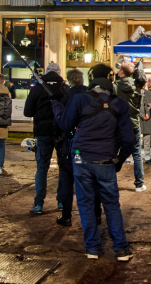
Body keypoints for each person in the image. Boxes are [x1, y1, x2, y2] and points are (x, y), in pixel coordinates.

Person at [51, 65, 136, 262]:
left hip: (81, 157)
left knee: (86, 203)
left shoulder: (80, 99)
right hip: (106, 159)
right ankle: (121, 248)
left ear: (91, 80)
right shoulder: (120, 104)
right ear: (110, 80)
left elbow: (65, 124)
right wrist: (119, 160)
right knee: (111, 204)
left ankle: (93, 248)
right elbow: (129, 139)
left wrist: (56, 107)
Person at [23, 62, 68, 213]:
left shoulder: (38, 88)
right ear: (59, 72)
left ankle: (39, 203)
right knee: (63, 167)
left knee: (42, 168)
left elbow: (27, 112)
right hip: (61, 132)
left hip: (42, 131)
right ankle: (62, 201)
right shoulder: (65, 88)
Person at [54, 68, 88, 227]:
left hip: (70, 144)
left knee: (67, 180)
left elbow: (63, 124)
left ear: (69, 80)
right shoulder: (90, 96)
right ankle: (94, 215)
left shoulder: (66, 99)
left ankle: (66, 215)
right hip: (88, 144)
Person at [114, 62, 146, 192]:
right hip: (134, 124)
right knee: (137, 153)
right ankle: (139, 183)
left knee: (113, 150)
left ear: (121, 72)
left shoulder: (115, 87)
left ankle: (111, 178)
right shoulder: (137, 87)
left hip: (119, 124)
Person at [140, 82, 151, 161]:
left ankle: (147, 157)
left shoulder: (149, 93)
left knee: (147, 140)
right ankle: (138, 158)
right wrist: (142, 115)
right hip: (138, 120)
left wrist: (149, 113)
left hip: (148, 119)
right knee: (137, 140)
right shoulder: (135, 94)